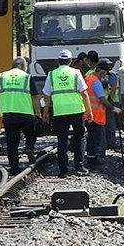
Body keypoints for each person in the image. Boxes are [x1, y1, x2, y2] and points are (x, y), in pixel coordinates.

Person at [42, 49, 92, 177]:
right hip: (76, 110)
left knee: (62, 140)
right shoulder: (76, 73)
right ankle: (79, 166)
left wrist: (46, 112)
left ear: (58, 61)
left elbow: (46, 95)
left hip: (60, 111)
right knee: (80, 137)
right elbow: (84, 93)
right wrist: (89, 111)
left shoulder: (51, 74)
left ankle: (63, 170)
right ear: (70, 61)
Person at [0, 57, 40, 176]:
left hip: (8, 115)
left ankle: (14, 168)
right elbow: (34, 97)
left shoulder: (2, 77)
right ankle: (29, 147)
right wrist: (38, 111)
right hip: (26, 114)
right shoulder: (27, 77)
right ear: (24, 66)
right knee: (31, 133)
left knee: (12, 142)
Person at [84, 61, 121, 166]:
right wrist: (113, 109)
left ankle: (90, 157)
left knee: (91, 138)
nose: (105, 77)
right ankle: (97, 158)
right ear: (103, 72)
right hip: (96, 116)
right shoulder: (96, 82)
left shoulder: (88, 79)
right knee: (99, 139)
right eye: (105, 74)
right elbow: (102, 100)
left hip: (87, 114)